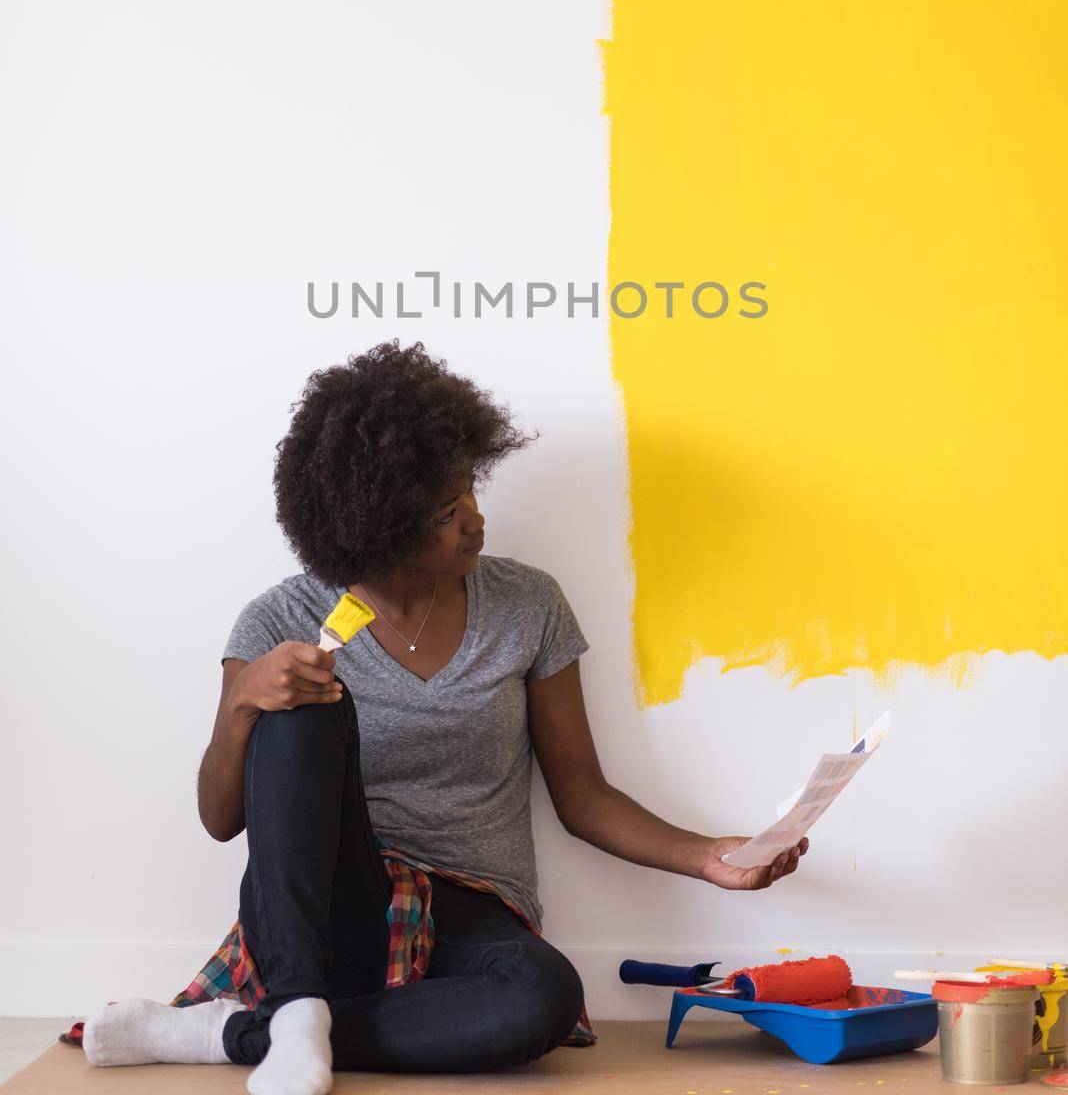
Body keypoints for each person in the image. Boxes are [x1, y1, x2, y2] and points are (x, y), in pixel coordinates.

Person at [81, 339, 807, 1094]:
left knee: (541, 999)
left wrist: (709, 857)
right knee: (301, 714)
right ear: (380, 523)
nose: (475, 521)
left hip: (470, 914)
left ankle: (235, 1033)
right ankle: (296, 1005)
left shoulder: (528, 606)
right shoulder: (281, 618)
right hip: (331, 908)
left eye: (470, 492)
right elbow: (219, 818)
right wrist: (243, 703)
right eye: (445, 512)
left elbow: (583, 795)